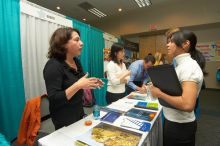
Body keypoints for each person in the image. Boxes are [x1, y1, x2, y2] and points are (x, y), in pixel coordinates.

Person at [149, 30, 203, 146]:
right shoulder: (181, 66)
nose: (167, 45)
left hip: (180, 127)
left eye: (172, 42)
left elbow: (187, 105)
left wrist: (160, 94)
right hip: (172, 121)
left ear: (185, 44)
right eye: (168, 42)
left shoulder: (189, 67)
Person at [43, 27, 103, 130]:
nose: (82, 43)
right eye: (76, 40)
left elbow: (80, 81)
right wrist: (78, 85)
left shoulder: (76, 61)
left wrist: (92, 82)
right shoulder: (53, 65)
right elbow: (54, 99)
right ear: (63, 43)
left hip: (78, 110)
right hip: (63, 116)